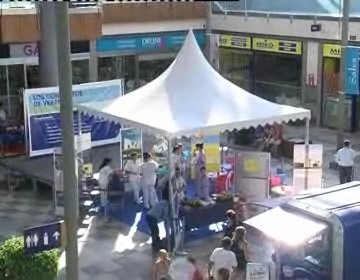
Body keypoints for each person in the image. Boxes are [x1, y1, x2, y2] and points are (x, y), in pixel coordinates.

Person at [146, 186, 170, 251]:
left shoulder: (163, 202)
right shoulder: (166, 204)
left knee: (154, 231)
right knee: (155, 231)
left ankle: (156, 242)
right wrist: (167, 236)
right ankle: (156, 244)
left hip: (150, 215)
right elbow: (165, 218)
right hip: (151, 217)